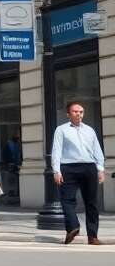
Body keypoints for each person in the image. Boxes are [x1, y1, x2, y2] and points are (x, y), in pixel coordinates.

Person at [51, 101, 105, 245]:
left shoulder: (90, 130)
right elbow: (56, 150)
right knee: (67, 200)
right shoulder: (61, 130)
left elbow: (97, 150)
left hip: (89, 168)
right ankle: (73, 227)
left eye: (81, 111)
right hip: (68, 168)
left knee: (92, 203)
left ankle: (92, 237)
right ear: (68, 114)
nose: (79, 114)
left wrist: (100, 169)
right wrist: (56, 171)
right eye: (75, 111)